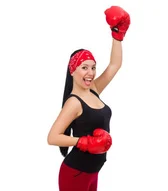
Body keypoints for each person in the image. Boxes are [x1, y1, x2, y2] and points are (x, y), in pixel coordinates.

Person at [46, 5, 130, 191]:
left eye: (93, 67)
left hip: (92, 172)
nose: (90, 72)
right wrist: (82, 141)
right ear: (73, 70)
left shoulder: (93, 90)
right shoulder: (74, 102)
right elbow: (52, 137)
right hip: (76, 173)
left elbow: (115, 65)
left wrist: (117, 35)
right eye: (84, 67)